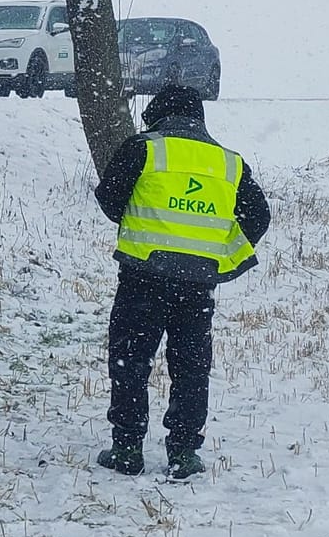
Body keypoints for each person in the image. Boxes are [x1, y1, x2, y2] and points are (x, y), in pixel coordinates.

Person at [92, 84, 269, 478]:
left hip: (143, 277)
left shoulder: (144, 148)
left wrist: (143, 219)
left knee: (131, 362)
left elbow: (109, 199)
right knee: (191, 367)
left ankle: (127, 449)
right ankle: (184, 453)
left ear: (156, 115)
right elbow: (258, 217)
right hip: (197, 285)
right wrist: (221, 253)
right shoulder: (229, 163)